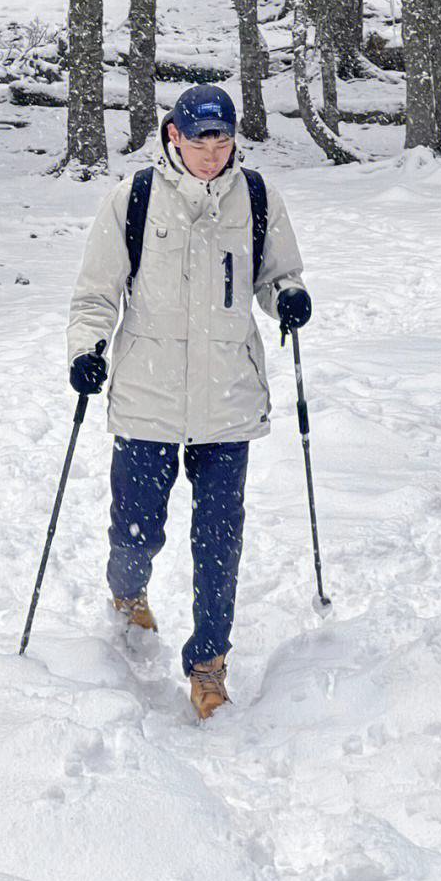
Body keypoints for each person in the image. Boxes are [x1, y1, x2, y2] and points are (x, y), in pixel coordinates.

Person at [67, 84, 312, 720]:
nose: (212, 151)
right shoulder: (134, 200)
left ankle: (209, 663)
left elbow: (276, 272)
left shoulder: (256, 197)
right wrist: (87, 350)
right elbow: (97, 293)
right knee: (135, 531)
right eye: (200, 138)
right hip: (148, 397)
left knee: (219, 539)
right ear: (173, 135)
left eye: (222, 138)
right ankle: (128, 592)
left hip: (226, 399)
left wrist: (287, 296)